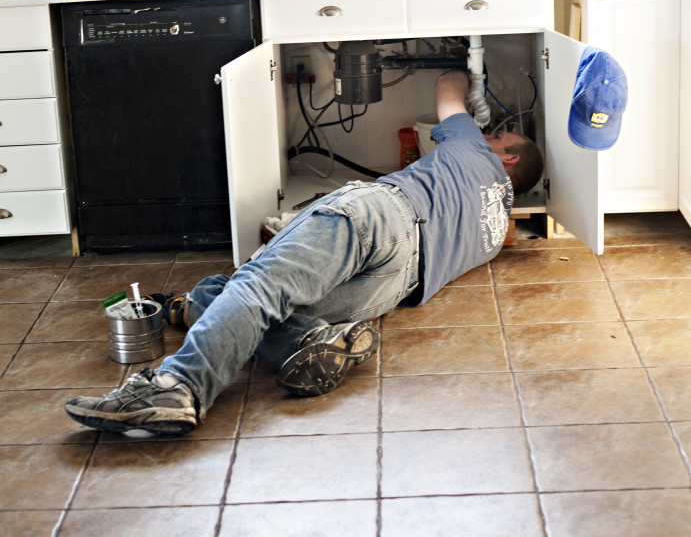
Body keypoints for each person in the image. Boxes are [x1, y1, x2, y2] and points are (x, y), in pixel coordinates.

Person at [65, 71, 543, 437]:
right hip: (398, 284)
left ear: (509, 157)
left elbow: (447, 89)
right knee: (258, 301)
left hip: (383, 217)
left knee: (258, 286)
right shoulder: (495, 230)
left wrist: (467, 79)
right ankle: (300, 340)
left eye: (497, 138)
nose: (488, 137)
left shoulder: (472, 150)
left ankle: (175, 388)